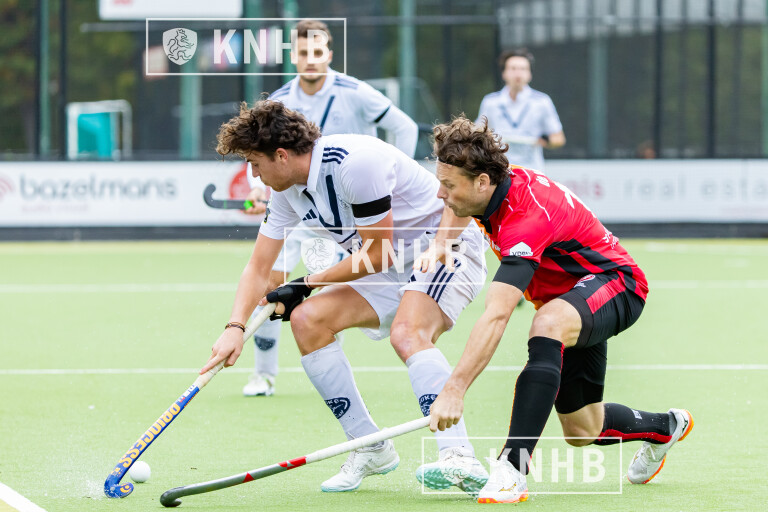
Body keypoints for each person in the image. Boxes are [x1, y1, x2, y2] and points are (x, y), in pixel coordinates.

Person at [202, 101, 490, 495]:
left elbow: (377, 254)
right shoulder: (287, 192)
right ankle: (370, 447)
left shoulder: (355, 164)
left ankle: (458, 455)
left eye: (255, 163)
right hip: (387, 265)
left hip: (444, 248)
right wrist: (234, 327)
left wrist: (307, 283)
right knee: (308, 321)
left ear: (281, 156)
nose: (254, 174)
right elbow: (259, 268)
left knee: (408, 333)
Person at [422, 117, 693, 504]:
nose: (440, 194)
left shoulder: (525, 219)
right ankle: (666, 427)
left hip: (617, 284)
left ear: (482, 182)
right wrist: (441, 242)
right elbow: (458, 204)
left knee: (546, 323)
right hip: (571, 298)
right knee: (582, 429)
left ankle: (512, 468)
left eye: (448, 185)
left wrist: (454, 390)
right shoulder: (488, 185)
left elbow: (497, 315)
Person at [241, 19, 419, 397]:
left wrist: (389, 183)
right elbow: (262, 154)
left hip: (355, 210)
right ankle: (263, 375)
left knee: (346, 283)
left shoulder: (356, 92)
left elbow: (405, 127)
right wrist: (260, 187)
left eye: (317, 52)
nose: (310, 59)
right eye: (303, 52)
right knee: (271, 282)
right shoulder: (279, 100)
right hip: (301, 204)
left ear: (330, 54)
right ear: (293, 56)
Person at [476, 48, 565, 171]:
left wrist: (544, 141)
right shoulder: (490, 102)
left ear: (530, 74)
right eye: (513, 68)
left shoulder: (542, 102)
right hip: (500, 170)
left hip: (532, 171)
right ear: (504, 73)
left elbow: (559, 138)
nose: (518, 74)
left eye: (523, 69)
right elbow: (478, 133)